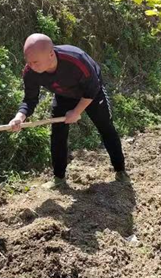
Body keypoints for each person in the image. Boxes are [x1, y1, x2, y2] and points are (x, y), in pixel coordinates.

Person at [9, 33, 129, 188]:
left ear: (51, 54)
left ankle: (120, 170)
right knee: (58, 134)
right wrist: (19, 117)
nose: (31, 66)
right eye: (28, 62)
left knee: (106, 127)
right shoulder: (30, 72)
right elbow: (30, 100)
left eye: (35, 62)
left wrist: (76, 112)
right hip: (64, 95)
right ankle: (59, 178)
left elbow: (92, 89)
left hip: (91, 93)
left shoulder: (76, 60)